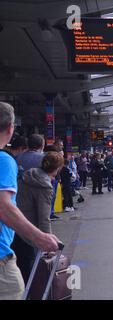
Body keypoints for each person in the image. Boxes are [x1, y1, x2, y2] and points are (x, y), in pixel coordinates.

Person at [0, 102, 59, 300]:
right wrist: (40, 237)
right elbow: (4, 207)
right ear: (10, 128)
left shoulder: (18, 159)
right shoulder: (4, 160)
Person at [12, 152, 64, 283]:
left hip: (12, 226)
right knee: (29, 273)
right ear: (57, 169)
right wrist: (49, 244)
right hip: (28, 232)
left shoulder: (27, 176)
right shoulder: (45, 187)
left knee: (18, 267)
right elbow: (44, 218)